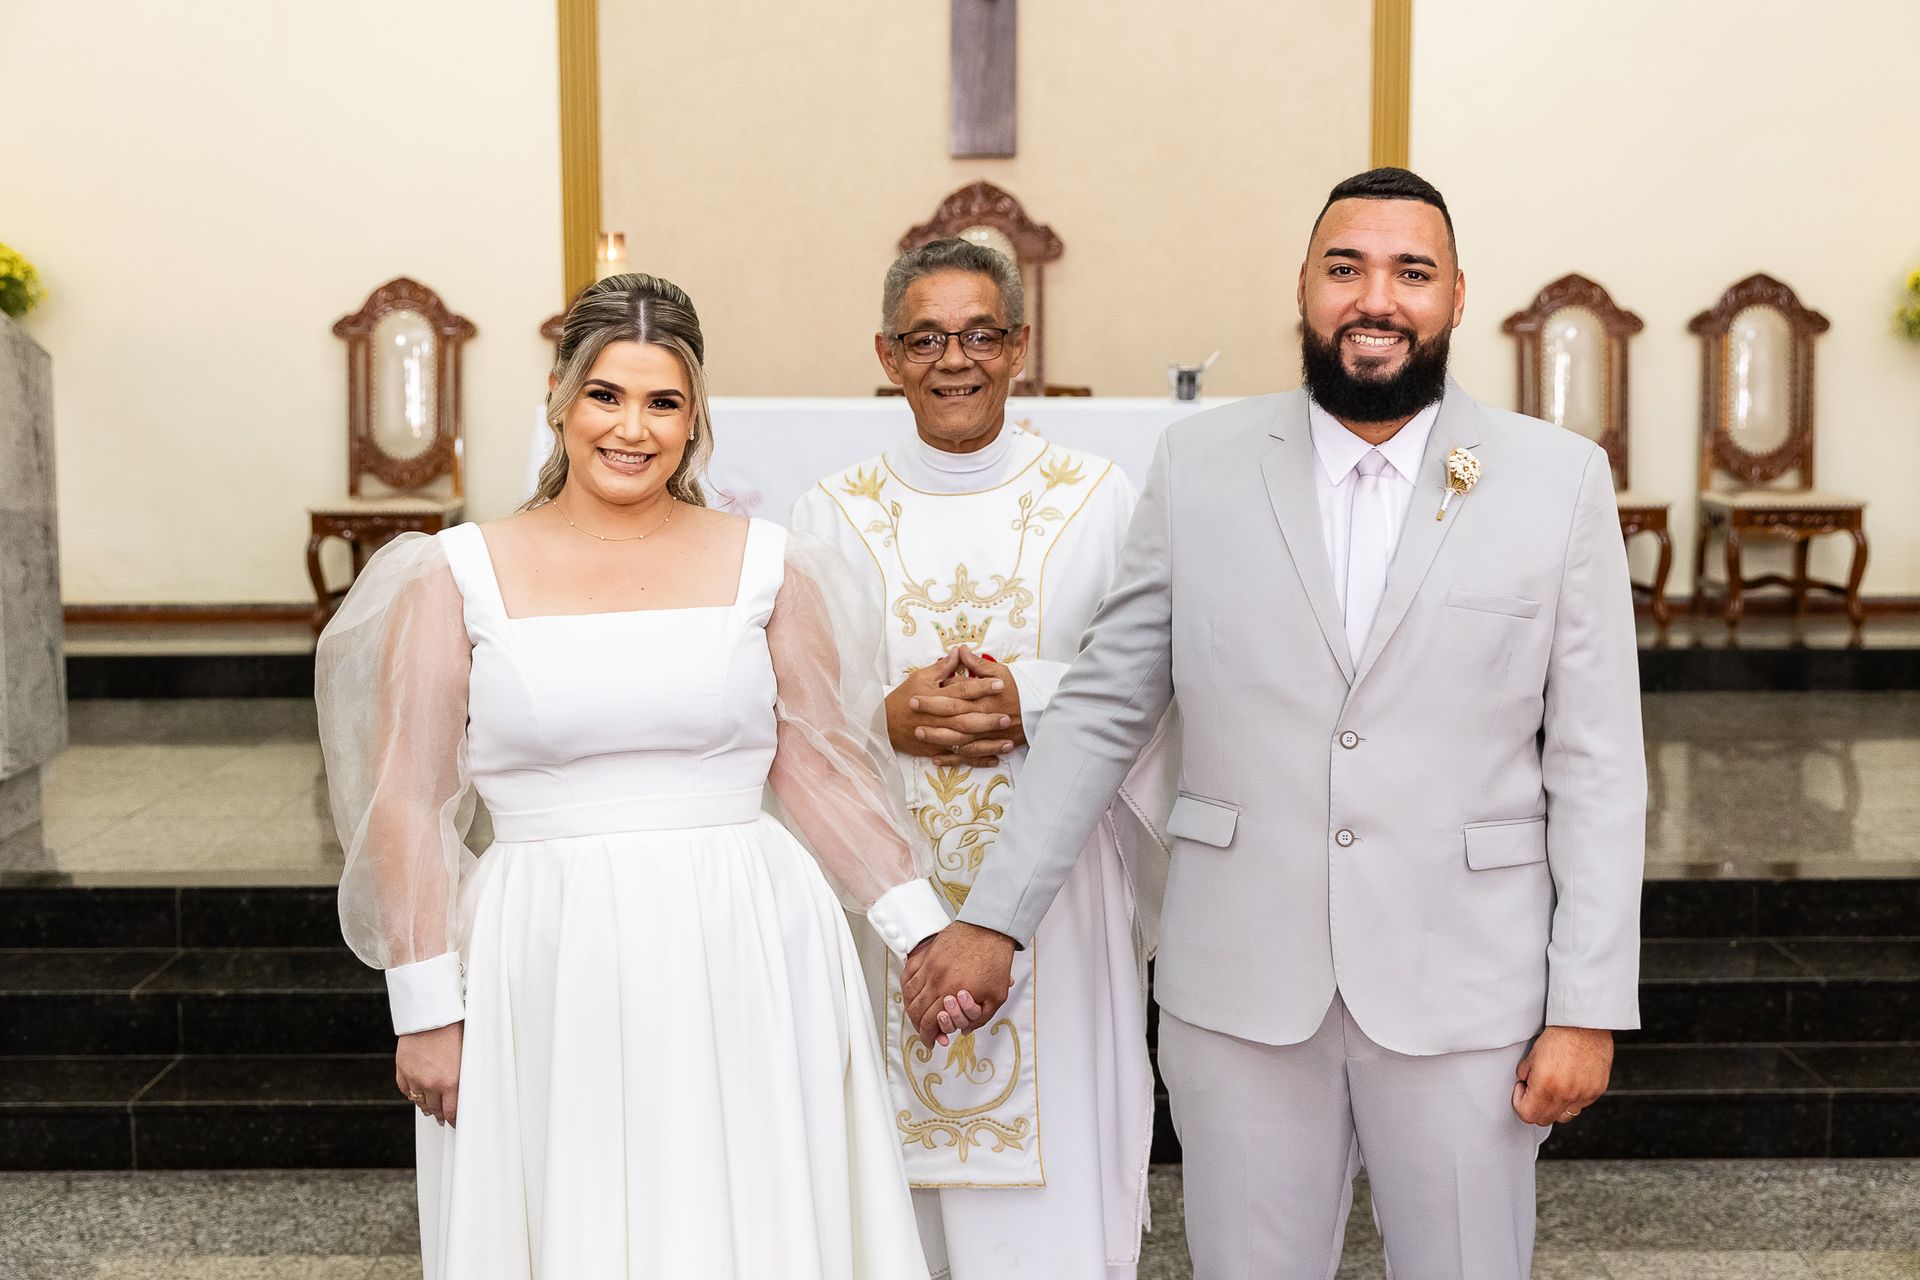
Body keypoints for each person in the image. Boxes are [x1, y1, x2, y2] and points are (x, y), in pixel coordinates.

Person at [904, 168, 1648, 1280]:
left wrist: (1587, 1001)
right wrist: (996, 916)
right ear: (1303, 287)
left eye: (1411, 271)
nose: (1375, 298)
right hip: (1241, 983)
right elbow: (1107, 705)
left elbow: (1597, 763)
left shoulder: (1557, 480)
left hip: (1465, 983)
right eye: (1345, 268)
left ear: (1454, 296)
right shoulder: (1200, 466)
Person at [316, 273, 948, 1280]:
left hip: (744, 940)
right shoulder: (455, 574)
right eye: (607, 394)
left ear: (696, 418)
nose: (633, 428)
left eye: (663, 402)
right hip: (544, 948)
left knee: (750, 1215)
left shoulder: (773, 565)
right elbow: (408, 796)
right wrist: (427, 1003)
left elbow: (822, 764)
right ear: (561, 397)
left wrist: (922, 929)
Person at [792, 237, 1167, 1280]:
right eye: (925, 338)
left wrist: (1033, 695)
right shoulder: (832, 512)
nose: (953, 359)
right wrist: (887, 712)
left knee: (1055, 1198)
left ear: (1018, 345)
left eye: (978, 334)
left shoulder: (1098, 498)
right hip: (892, 898)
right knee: (893, 1203)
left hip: (1059, 897)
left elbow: (1160, 681)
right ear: (887, 352)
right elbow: (798, 714)